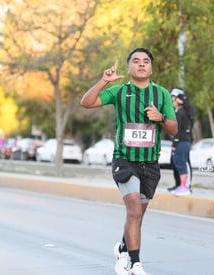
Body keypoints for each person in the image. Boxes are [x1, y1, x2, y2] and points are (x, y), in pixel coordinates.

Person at [80, 48, 177, 275]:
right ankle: (135, 264)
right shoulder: (119, 92)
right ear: (129, 67)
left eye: (145, 61)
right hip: (125, 160)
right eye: (136, 61)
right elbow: (86, 102)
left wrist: (160, 118)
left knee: (137, 215)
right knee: (133, 209)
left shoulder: (162, 95)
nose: (141, 64)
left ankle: (123, 246)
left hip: (150, 163)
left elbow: (174, 128)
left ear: (151, 67)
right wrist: (103, 81)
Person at [168, 89, 194, 196]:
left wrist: (174, 144)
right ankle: (182, 186)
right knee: (179, 162)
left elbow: (177, 131)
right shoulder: (185, 113)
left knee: (181, 163)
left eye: (173, 99)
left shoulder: (179, 113)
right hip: (185, 141)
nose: (172, 101)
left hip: (181, 142)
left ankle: (185, 187)